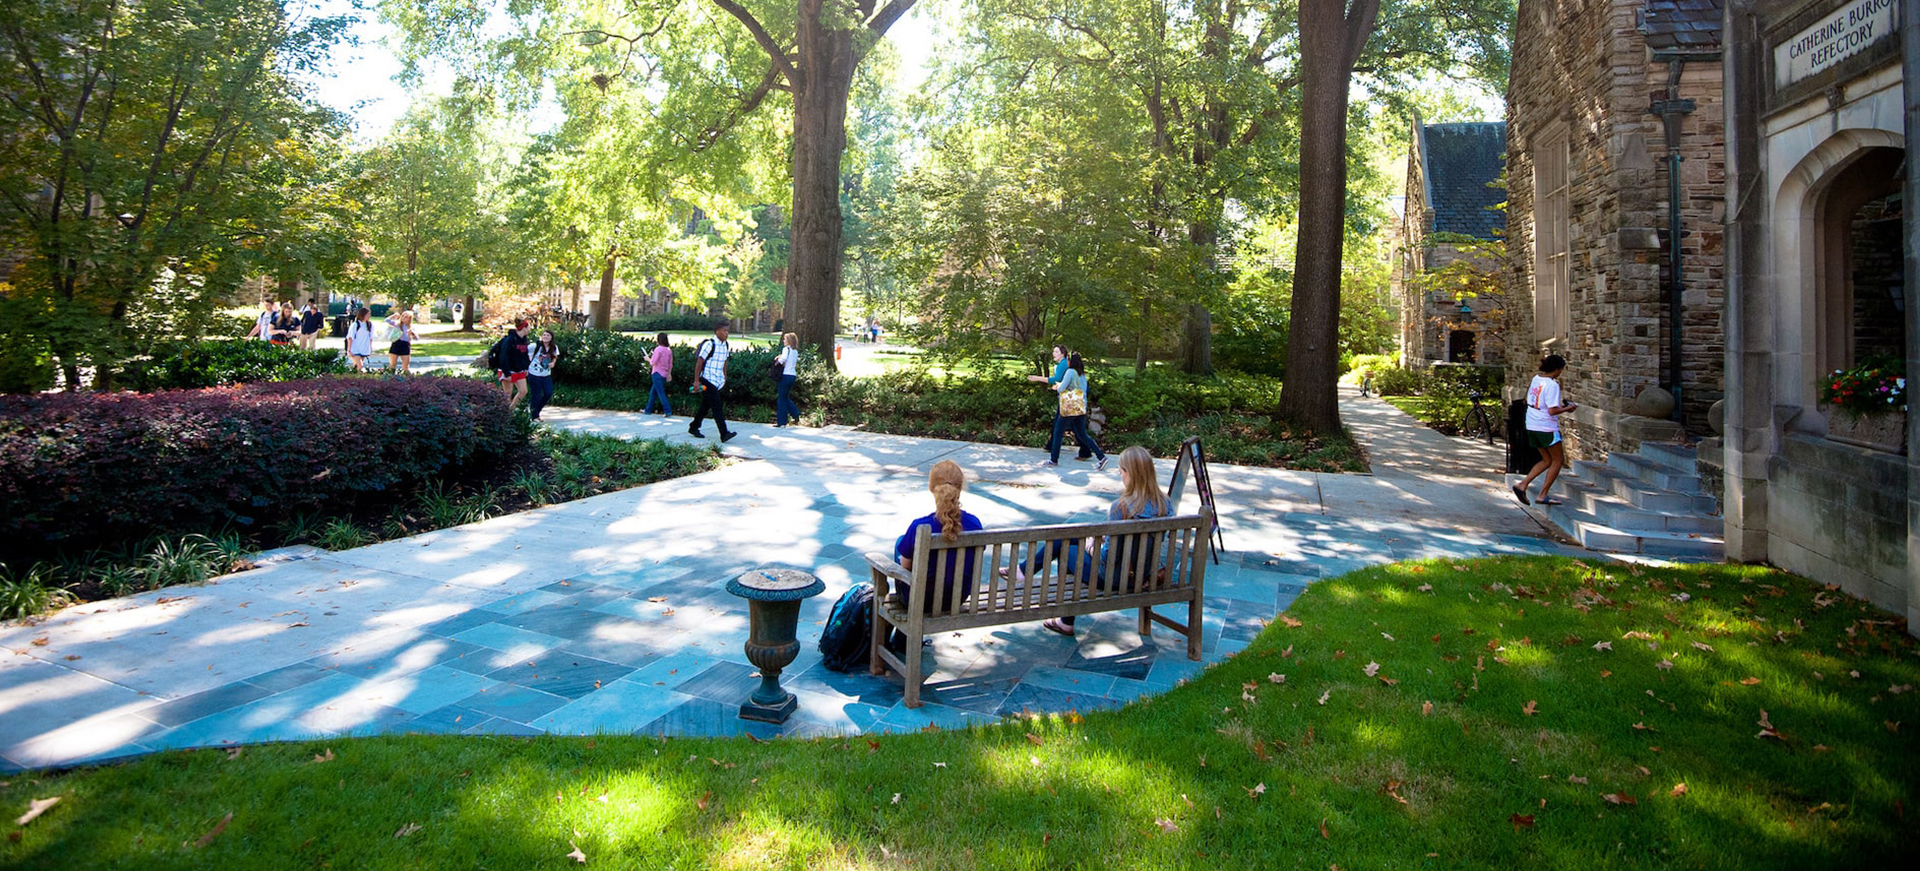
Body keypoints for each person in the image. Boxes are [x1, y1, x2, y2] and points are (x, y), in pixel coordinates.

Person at [1008, 446, 1168, 637]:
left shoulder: (1121, 508)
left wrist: (1092, 546)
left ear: (1129, 474)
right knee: (1068, 538)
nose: (1121, 477)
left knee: (1065, 546)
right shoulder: (1165, 504)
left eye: (1121, 472)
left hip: (1113, 578)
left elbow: (1109, 557)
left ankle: (1063, 617)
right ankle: (1025, 572)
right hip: (1144, 575)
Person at [887, 459, 985, 652]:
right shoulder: (975, 524)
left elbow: (905, 566)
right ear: (960, 487)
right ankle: (902, 640)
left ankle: (895, 641)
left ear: (931, 487)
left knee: (901, 543)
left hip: (920, 601)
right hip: (957, 598)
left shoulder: (919, 526)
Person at [1513, 354, 1578, 507]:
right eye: (1560, 370)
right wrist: (1568, 408)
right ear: (1556, 369)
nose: (1560, 373)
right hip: (1546, 426)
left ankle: (1523, 484)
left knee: (1547, 460)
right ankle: (1542, 495)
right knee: (1558, 460)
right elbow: (1552, 411)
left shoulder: (1536, 379)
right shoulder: (1552, 385)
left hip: (1532, 423)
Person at [1028, 345, 1094, 463]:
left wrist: (1037, 378)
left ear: (1063, 354)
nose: (1053, 353)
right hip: (1070, 400)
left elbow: (1056, 379)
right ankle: (1084, 451)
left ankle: (1055, 455)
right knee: (1071, 427)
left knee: (1064, 428)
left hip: (1069, 401)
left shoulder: (1064, 365)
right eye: (1053, 351)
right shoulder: (1064, 365)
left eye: (1056, 351)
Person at [1048, 352, 1107, 469]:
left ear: (1071, 361)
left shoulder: (1070, 372)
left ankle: (1053, 460)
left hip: (1070, 408)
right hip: (1080, 407)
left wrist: (1056, 387)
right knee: (1082, 434)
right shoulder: (1082, 374)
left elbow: (1061, 388)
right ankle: (1101, 457)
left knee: (1058, 432)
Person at [688, 321, 737, 442]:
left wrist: (724, 377)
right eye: (724, 331)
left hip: (718, 380)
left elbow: (725, 361)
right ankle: (724, 433)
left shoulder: (725, 345)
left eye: (728, 331)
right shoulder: (710, 344)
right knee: (717, 406)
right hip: (707, 379)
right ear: (717, 331)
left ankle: (694, 427)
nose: (727, 333)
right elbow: (700, 361)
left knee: (706, 405)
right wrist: (696, 380)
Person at [491, 319, 532, 408]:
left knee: (523, 391)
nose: (530, 329)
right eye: (528, 327)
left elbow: (524, 355)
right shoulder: (509, 340)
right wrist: (507, 373)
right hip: (507, 370)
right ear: (524, 328)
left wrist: (526, 367)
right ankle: (504, 413)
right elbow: (504, 357)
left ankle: (511, 410)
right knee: (507, 393)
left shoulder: (524, 339)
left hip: (519, 370)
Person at [526, 328, 561, 419]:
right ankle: (534, 416)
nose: (545, 337)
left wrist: (553, 363)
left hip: (546, 374)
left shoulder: (554, 347)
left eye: (548, 335)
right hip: (534, 373)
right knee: (536, 395)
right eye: (544, 335)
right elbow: (524, 352)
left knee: (548, 393)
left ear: (551, 338)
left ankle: (536, 411)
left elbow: (555, 356)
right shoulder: (535, 345)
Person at [773, 331, 800, 427]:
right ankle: (795, 414)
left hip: (785, 375)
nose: (783, 341)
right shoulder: (795, 351)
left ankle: (782, 422)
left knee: (781, 399)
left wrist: (777, 359)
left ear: (789, 341)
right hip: (792, 375)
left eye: (785, 339)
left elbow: (782, 360)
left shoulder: (786, 349)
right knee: (785, 397)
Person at [643, 332, 673, 415]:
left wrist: (647, 359)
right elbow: (670, 364)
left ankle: (667, 411)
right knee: (653, 393)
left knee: (660, 393)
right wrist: (669, 374)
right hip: (664, 374)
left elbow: (653, 362)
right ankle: (648, 410)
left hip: (656, 373)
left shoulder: (658, 349)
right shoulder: (668, 350)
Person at [384, 310, 418, 376]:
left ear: (409, 319)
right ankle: (391, 378)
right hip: (396, 344)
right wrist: (394, 316)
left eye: (406, 317)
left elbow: (416, 338)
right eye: (402, 316)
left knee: (405, 366)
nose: (403, 318)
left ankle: (406, 378)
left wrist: (412, 334)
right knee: (392, 365)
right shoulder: (397, 324)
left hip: (405, 345)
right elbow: (386, 320)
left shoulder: (410, 327)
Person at [344, 307, 376, 372]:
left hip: (363, 348)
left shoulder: (370, 325)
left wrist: (370, 347)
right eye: (368, 314)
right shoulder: (355, 325)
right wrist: (349, 349)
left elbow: (370, 337)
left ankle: (354, 378)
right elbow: (350, 337)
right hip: (355, 349)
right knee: (360, 366)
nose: (369, 316)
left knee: (356, 367)